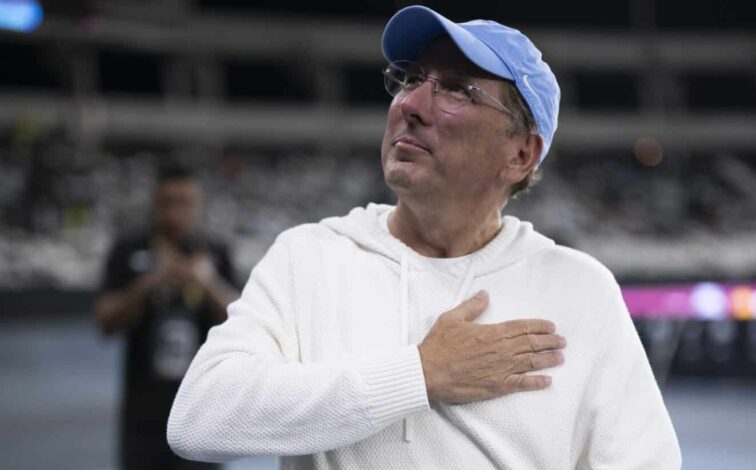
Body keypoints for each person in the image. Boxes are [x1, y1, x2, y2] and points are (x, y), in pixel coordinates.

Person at [168, 5, 681, 469]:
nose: (410, 103)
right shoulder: (310, 255)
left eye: (458, 88)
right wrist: (419, 373)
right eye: (411, 78)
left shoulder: (580, 290)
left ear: (521, 155)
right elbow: (198, 420)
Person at [95, 164, 239, 470]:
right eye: (167, 202)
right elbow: (104, 322)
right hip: (143, 415)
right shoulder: (129, 249)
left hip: (202, 412)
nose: (175, 212)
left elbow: (241, 323)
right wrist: (149, 282)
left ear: (198, 206)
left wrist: (206, 282)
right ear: (154, 203)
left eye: (184, 202)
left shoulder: (215, 252)